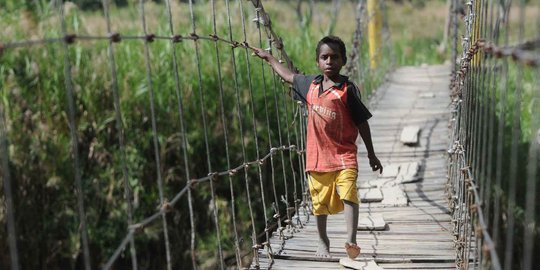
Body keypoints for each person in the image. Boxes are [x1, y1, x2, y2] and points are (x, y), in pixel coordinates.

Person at [252, 35, 383, 259]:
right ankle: (323, 240)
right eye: (324, 57)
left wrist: (371, 154)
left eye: (335, 57)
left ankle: (351, 240)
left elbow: (362, 123)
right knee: (319, 202)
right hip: (317, 157)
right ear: (317, 61)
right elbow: (288, 76)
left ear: (342, 61)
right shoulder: (310, 85)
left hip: (344, 154)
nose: (329, 61)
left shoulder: (347, 90)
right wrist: (269, 58)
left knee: (349, 193)